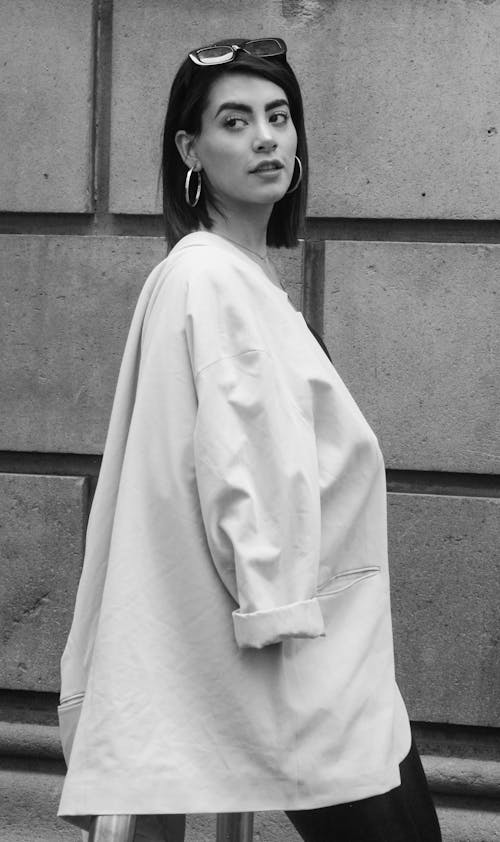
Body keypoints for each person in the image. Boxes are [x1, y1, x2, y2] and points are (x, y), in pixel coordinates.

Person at [57, 38, 441, 842]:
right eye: (235, 122)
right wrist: (278, 614)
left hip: (319, 655)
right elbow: (243, 468)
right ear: (191, 151)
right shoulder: (214, 281)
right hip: (299, 662)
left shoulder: (224, 275)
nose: (266, 137)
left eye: (279, 117)